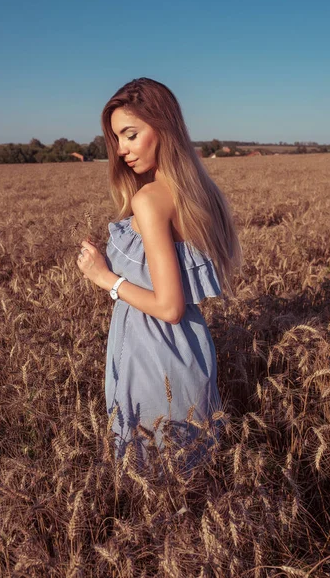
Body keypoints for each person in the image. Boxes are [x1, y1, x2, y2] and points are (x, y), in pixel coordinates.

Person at [76, 77, 242, 470]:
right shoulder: (197, 191)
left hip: (152, 356)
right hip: (189, 349)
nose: (121, 150)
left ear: (163, 128)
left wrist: (105, 277)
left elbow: (168, 306)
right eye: (117, 139)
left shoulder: (149, 201)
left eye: (131, 135)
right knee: (190, 479)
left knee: (151, 478)